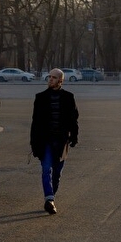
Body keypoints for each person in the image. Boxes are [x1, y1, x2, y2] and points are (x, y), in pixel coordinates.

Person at [30, 68, 79, 215]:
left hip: (61, 141)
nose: (50, 79)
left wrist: (74, 136)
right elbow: (35, 122)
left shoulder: (69, 97)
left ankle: (51, 197)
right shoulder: (40, 97)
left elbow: (73, 119)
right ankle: (49, 199)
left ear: (60, 80)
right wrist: (33, 142)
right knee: (46, 169)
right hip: (45, 141)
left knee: (57, 173)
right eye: (49, 77)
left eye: (54, 77)